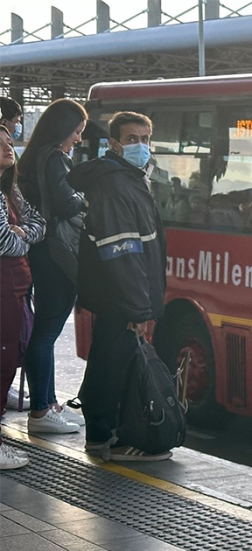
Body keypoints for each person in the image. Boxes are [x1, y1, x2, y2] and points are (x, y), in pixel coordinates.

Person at [67, 111, 169, 461]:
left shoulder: (129, 177)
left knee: (110, 361)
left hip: (118, 297)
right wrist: (137, 309)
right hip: (118, 297)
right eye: (131, 139)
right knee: (114, 365)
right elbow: (123, 254)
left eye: (145, 139)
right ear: (113, 145)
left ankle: (104, 433)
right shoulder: (114, 185)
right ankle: (107, 437)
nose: (140, 146)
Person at [16, 98, 88, 434]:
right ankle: (42, 412)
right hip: (57, 252)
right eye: (76, 131)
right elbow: (65, 203)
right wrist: (86, 196)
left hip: (39, 251)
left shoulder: (30, 158)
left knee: (43, 330)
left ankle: (48, 402)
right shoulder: (56, 158)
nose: (78, 139)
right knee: (46, 333)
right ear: (63, 129)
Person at [0, 125, 44, 469]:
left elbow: (38, 221)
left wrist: (24, 232)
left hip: (16, 289)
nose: (7, 148)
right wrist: (25, 236)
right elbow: (7, 244)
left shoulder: (11, 191)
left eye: (9, 141)